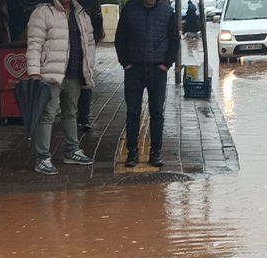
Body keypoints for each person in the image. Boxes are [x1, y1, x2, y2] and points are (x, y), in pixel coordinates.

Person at [26, 0, 98, 175]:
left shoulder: (82, 14)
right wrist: (34, 72)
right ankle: (42, 158)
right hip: (50, 73)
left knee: (70, 113)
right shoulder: (42, 12)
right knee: (47, 115)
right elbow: (34, 44)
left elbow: (89, 45)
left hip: (74, 73)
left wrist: (88, 69)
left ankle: (72, 151)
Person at [115, 0, 179, 168]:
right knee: (132, 112)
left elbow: (174, 40)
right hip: (134, 69)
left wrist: (166, 64)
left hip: (157, 70)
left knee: (157, 112)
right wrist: (126, 62)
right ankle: (132, 153)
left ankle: (155, 152)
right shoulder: (130, 9)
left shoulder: (167, 11)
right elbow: (120, 37)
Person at [76, 0, 105, 132]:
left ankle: (83, 117)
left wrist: (92, 42)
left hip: (85, 47)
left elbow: (98, 23)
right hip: (67, 46)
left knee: (86, 80)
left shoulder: (92, 3)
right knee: (80, 81)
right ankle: (81, 117)